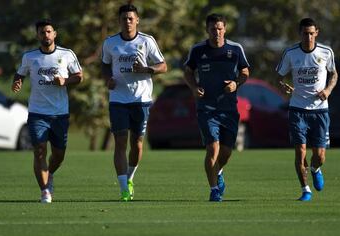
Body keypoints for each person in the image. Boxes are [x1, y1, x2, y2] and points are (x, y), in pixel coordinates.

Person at [12, 19, 83, 203]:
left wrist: (65, 81)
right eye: (42, 32)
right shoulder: (30, 57)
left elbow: (79, 76)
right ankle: (44, 191)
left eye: (49, 32)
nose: (46, 35)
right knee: (40, 151)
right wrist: (17, 81)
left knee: (58, 155)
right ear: (37, 35)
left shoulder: (66, 54)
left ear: (54, 34)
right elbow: (20, 73)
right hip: (37, 113)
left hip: (60, 113)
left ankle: (49, 173)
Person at [101, 4, 167, 201]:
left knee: (137, 144)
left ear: (137, 20)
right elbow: (105, 65)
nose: (127, 22)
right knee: (120, 142)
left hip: (141, 99)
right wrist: (108, 80)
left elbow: (163, 66)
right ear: (119, 21)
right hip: (118, 100)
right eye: (124, 19)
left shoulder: (147, 41)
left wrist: (147, 69)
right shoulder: (110, 43)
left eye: (131, 18)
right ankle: (123, 189)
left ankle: (129, 177)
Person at [183, 13, 250, 202]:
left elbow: (245, 72)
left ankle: (218, 172)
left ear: (225, 29)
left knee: (226, 153)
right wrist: (194, 87)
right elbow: (187, 72)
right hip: (206, 108)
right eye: (213, 29)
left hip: (229, 109)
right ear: (207, 30)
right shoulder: (197, 50)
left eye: (220, 29)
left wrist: (236, 84)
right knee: (213, 148)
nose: (217, 32)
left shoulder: (236, 49)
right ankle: (214, 190)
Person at [276, 18, 337, 201]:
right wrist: (284, 87)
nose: (308, 37)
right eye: (305, 33)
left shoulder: (326, 52)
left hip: (320, 110)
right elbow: (279, 76)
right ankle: (305, 189)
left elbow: (334, 74)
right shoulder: (291, 53)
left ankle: (316, 168)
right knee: (300, 151)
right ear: (300, 33)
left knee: (319, 156)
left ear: (317, 32)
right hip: (297, 109)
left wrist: (327, 90)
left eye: (311, 33)